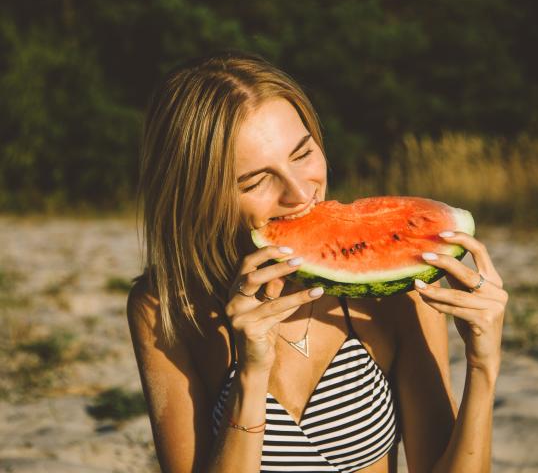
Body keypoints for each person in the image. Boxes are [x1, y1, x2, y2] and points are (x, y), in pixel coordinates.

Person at [127, 51, 509, 473]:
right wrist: (251, 378)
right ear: (198, 197)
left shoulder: (398, 293)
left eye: (303, 154)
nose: (298, 192)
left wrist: (483, 367)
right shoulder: (164, 307)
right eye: (255, 180)